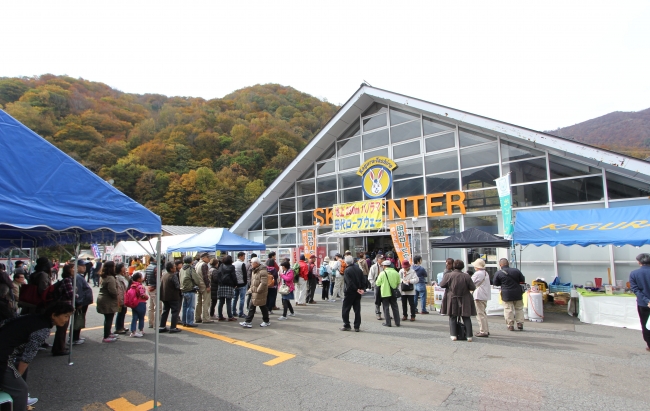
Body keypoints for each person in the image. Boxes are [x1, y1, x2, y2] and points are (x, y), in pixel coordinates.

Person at [0, 301, 74, 411]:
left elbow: (6, 323)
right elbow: (27, 357)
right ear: (54, 315)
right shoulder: (43, 330)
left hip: (5, 353)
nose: (67, 320)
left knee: (18, 367)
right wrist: (17, 377)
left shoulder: (32, 317)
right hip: (3, 357)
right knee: (21, 389)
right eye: (65, 316)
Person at [440, 260, 476, 342]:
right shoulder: (466, 276)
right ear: (462, 266)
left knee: (453, 316)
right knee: (466, 317)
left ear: (453, 266)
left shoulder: (448, 275)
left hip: (452, 297)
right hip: (465, 297)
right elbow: (473, 287)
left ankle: (453, 335)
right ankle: (469, 336)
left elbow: (442, 285)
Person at [493, 258, 526, 331]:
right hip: (517, 292)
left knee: (508, 309)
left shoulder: (498, 273)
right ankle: (520, 323)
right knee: (519, 308)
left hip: (506, 293)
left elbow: (495, 283)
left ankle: (510, 325)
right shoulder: (516, 270)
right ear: (508, 263)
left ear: (500, 264)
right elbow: (522, 280)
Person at [240, 257, 270, 328]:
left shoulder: (262, 271)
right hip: (255, 292)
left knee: (260, 306)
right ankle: (249, 321)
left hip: (259, 292)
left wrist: (258, 290)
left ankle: (250, 321)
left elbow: (263, 282)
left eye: (252, 263)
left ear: (256, 263)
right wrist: (250, 290)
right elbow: (253, 282)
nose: (251, 264)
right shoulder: (255, 270)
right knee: (256, 306)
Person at [629, 253, 650, 351]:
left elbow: (635, 289)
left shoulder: (634, 273)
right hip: (645, 302)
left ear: (639, 262)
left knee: (645, 324)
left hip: (643, 303)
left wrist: (647, 300)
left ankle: (649, 344)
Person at [52, 263, 74, 355]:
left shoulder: (67, 280)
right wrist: (76, 294)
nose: (75, 270)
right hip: (64, 306)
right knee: (62, 328)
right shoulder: (67, 280)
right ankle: (59, 349)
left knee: (62, 328)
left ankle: (59, 347)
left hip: (64, 305)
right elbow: (70, 294)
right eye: (73, 268)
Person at [339, 255, 365, 331]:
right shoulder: (358, 269)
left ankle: (346, 324)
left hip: (350, 292)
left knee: (346, 309)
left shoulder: (347, 270)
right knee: (357, 309)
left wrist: (356, 289)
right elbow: (363, 280)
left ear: (346, 262)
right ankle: (357, 326)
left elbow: (349, 282)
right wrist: (362, 289)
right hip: (358, 292)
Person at [96, 261, 120, 343]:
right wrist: (117, 296)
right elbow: (112, 291)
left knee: (108, 318)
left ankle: (108, 333)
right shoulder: (110, 278)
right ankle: (106, 336)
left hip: (102, 298)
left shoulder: (104, 276)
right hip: (108, 300)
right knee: (109, 318)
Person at [72, 260, 93, 345]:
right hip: (81, 303)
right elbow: (79, 291)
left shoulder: (80, 276)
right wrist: (79, 303)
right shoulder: (77, 277)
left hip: (83, 302)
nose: (84, 267)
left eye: (85, 266)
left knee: (79, 319)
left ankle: (76, 336)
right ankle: (74, 338)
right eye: (82, 266)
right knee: (78, 319)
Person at [179, 256, 203, 327]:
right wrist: (197, 284)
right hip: (190, 289)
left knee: (185, 306)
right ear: (191, 261)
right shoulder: (190, 269)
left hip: (183, 289)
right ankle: (189, 322)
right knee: (191, 307)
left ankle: (184, 321)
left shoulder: (182, 269)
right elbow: (196, 279)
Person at [375, 260, 401, 327]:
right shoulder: (396, 273)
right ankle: (397, 322)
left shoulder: (382, 273)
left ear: (384, 266)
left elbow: (377, 283)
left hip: (385, 293)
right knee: (395, 307)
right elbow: (399, 282)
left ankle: (388, 323)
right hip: (393, 293)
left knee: (386, 308)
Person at [159, 261, 182, 334]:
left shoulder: (164, 275)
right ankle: (173, 327)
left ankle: (162, 326)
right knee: (175, 311)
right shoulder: (173, 275)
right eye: (174, 267)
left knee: (165, 311)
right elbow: (177, 286)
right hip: (173, 296)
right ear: (171, 269)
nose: (175, 268)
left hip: (164, 296)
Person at [471, 259, 491, 338]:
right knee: (483, 313)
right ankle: (485, 329)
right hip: (484, 295)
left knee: (480, 314)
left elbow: (471, 283)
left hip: (479, 295)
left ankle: (483, 331)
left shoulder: (478, 273)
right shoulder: (485, 273)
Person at [127, 272, 149, 338]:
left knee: (134, 318)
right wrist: (146, 297)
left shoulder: (132, 285)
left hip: (134, 304)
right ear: (139, 279)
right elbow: (142, 295)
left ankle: (133, 331)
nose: (143, 278)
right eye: (141, 277)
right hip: (141, 303)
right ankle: (141, 330)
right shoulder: (140, 286)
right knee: (141, 318)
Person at [216, 255, 237, 321]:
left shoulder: (221, 266)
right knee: (229, 301)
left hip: (221, 285)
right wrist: (235, 284)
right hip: (229, 285)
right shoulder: (232, 267)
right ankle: (230, 316)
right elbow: (234, 276)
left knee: (221, 302)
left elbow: (218, 275)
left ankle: (220, 316)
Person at [194, 252, 213, 324]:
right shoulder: (204, 265)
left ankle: (197, 317)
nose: (209, 259)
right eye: (208, 257)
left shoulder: (197, 264)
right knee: (206, 302)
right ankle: (206, 318)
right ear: (203, 258)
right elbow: (205, 276)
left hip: (199, 285)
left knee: (199, 302)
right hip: (204, 285)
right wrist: (208, 286)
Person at [113, 263, 129, 335]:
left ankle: (121, 326)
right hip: (121, 299)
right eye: (123, 267)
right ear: (120, 269)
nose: (125, 268)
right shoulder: (117, 278)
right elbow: (119, 290)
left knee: (123, 312)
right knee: (120, 313)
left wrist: (126, 276)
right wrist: (120, 300)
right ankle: (118, 328)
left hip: (125, 297)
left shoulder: (123, 276)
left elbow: (129, 283)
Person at [368, 254, 385, 320]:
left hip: (384, 285)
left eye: (383, 259)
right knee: (377, 300)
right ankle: (378, 313)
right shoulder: (374, 267)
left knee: (385, 300)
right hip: (377, 285)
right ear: (377, 260)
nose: (382, 260)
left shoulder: (385, 266)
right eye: (381, 259)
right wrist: (374, 284)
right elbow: (370, 277)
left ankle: (386, 313)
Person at [232, 252, 248, 318]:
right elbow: (244, 274)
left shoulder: (233, 264)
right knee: (242, 299)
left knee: (235, 298)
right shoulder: (242, 264)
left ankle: (233, 311)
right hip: (242, 284)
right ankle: (241, 313)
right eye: (244, 256)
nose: (244, 258)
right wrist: (245, 282)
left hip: (235, 284)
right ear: (240, 256)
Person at [145, 257, 159, 329]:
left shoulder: (148, 267)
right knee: (158, 307)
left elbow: (145, 278)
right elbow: (158, 279)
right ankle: (156, 324)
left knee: (151, 307)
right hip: (155, 288)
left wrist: (148, 285)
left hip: (149, 288)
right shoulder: (156, 268)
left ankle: (150, 322)